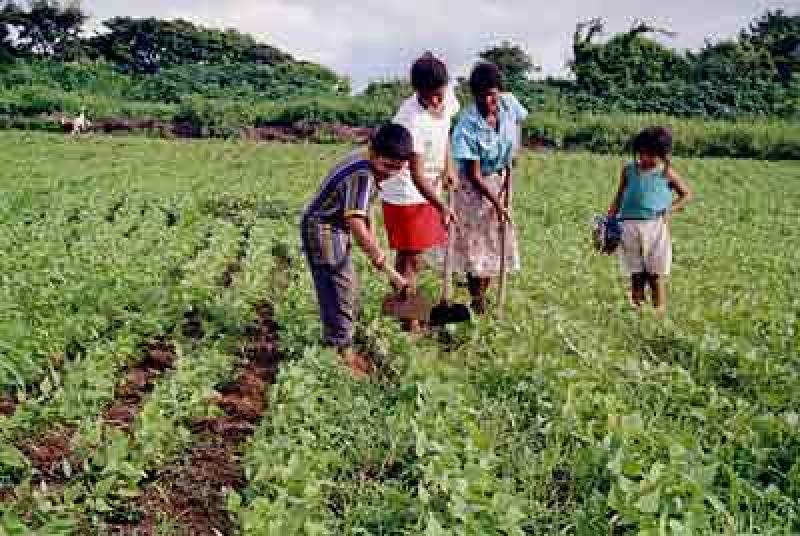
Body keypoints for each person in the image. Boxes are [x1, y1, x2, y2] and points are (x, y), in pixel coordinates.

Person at [301, 123, 411, 375]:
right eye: (387, 166)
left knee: (343, 285)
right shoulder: (363, 173)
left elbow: (365, 208)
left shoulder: (367, 163)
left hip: (332, 225)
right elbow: (354, 221)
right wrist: (385, 264)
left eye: (398, 168)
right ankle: (342, 353)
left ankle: (339, 343)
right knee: (339, 286)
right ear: (373, 152)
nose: (390, 173)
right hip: (323, 228)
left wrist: (374, 242)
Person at [380, 52, 459, 331]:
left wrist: (448, 166)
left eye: (439, 94)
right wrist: (442, 206)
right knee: (410, 258)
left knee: (413, 257)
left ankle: (403, 311)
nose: (437, 101)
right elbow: (414, 173)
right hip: (405, 192)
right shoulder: (409, 119)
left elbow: (447, 132)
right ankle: (410, 321)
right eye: (430, 96)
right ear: (417, 91)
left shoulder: (447, 98)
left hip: (431, 187)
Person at [450, 62, 525, 313]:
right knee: (476, 247)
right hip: (474, 189)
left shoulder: (508, 104)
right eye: (483, 95)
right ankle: (477, 300)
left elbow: (519, 122)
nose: (489, 99)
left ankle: (485, 294)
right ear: (475, 95)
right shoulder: (467, 124)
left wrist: (514, 153)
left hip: (500, 180)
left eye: (493, 93)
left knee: (496, 243)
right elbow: (473, 174)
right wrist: (497, 203)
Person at [607, 126, 693, 317]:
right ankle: (637, 311)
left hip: (656, 227)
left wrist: (669, 209)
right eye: (642, 154)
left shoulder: (666, 173)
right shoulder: (629, 170)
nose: (645, 159)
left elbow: (686, 194)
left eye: (651, 155)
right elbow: (619, 197)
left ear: (663, 155)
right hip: (628, 227)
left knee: (655, 275)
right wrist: (609, 219)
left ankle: (658, 313)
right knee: (636, 275)